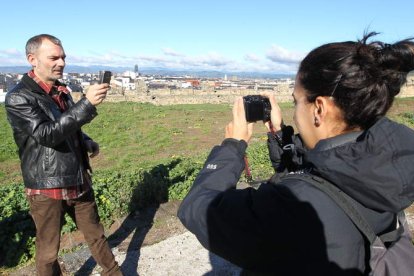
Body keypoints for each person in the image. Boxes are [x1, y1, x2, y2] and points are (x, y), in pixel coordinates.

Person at [178, 32, 414, 275]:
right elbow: (326, 170)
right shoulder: (385, 163)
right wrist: (279, 134)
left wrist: (232, 145)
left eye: (297, 102)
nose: (295, 113)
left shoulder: (292, 209)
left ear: (319, 108)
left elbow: (198, 208)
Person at [5, 34, 122, 276]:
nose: (61, 63)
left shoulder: (61, 90)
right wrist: (87, 104)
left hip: (77, 176)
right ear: (32, 59)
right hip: (47, 185)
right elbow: (46, 134)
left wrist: (86, 141)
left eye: (63, 57)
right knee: (48, 252)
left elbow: (68, 126)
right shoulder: (19, 97)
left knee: (97, 237)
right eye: (54, 58)